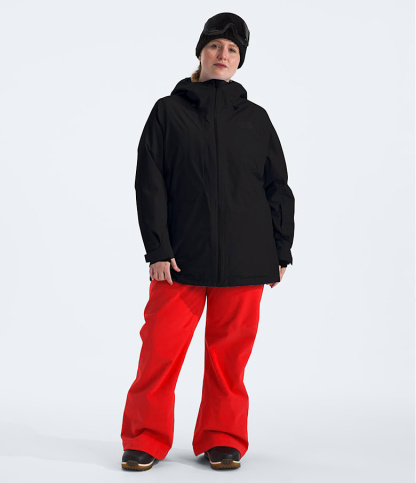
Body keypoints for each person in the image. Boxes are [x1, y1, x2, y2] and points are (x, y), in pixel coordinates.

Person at [120, 12, 295, 471]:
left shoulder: (256, 119)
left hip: (246, 257)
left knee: (228, 359)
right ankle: (144, 437)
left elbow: (277, 187)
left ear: (240, 61)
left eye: (233, 50)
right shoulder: (168, 112)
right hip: (180, 260)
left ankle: (223, 438)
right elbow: (150, 183)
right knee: (160, 352)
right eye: (215, 45)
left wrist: (280, 249)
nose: (223, 55)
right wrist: (158, 248)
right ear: (200, 52)